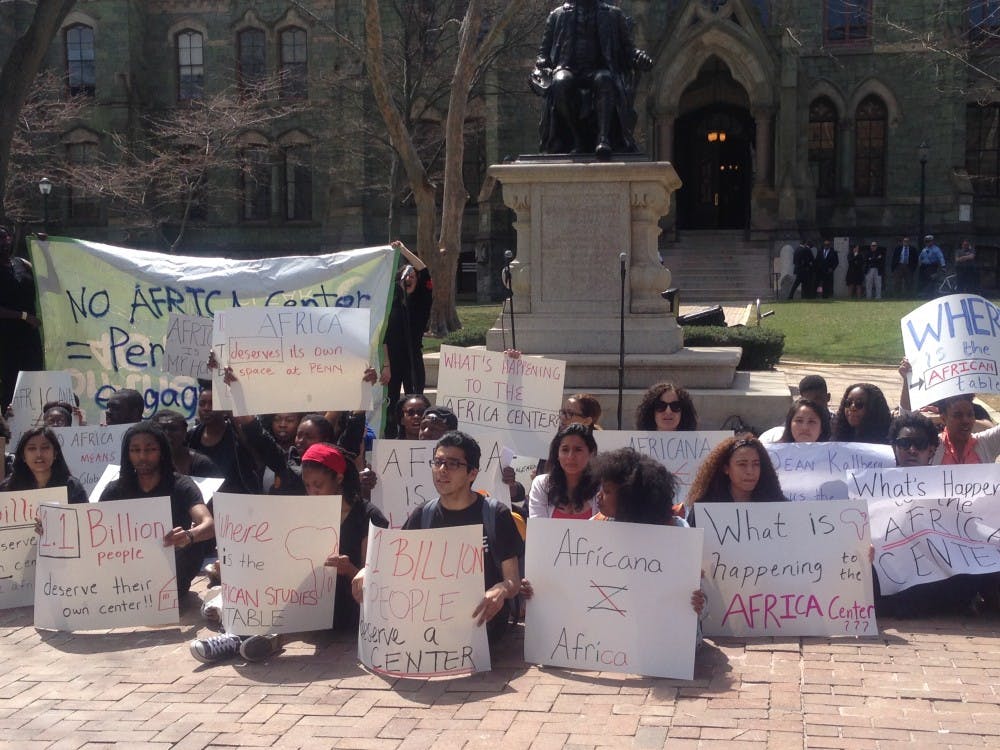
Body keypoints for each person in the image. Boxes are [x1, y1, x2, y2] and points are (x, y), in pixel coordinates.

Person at [190, 442, 390, 664]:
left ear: (339, 479)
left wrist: (349, 569)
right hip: (303, 600)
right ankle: (244, 638)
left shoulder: (367, 515)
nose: (312, 492)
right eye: (307, 485)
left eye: (318, 485)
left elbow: (375, 580)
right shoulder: (300, 511)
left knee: (281, 608)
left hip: (345, 605)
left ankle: (243, 638)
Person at [352, 431, 523, 646]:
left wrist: (501, 590)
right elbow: (393, 562)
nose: (442, 470)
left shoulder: (495, 515)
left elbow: (513, 581)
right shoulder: (423, 514)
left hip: (483, 627)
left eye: (453, 464)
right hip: (428, 627)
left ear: (472, 473)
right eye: (438, 462)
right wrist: (368, 571)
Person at [99, 422, 214, 597]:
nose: (142, 456)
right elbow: (94, 532)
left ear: (162, 452)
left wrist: (188, 536)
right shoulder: (115, 490)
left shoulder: (181, 485)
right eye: (135, 450)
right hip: (124, 580)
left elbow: (209, 524)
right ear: (127, 454)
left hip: (173, 574)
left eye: (150, 449)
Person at [531, 0, 653, 157]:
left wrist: (639, 57)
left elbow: (629, 51)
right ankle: (577, 138)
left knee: (605, 79)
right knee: (560, 82)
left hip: (599, 69)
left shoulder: (613, 15)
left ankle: (603, 139)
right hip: (568, 68)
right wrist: (541, 66)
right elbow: (543, 53)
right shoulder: (557, 15)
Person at [383, 242, 432, 436]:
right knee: (391, 402)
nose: (410, 278)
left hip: (413, 358)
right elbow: (383, 337)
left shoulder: (422, 300)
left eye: (413, 276)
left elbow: (424, 270)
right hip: (393, 360)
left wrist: (403, 250)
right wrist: (386, 365)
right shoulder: (390, 304)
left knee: (416, 400)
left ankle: (416, 435)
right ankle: (391, 436)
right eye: (406, 276)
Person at [0, 227, 43, 409]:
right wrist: (24, 316)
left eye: (5, 238)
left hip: (29, 336)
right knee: (11, 383)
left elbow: (46, 280)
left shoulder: (21, 263)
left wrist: (43, 248)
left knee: (33, 379)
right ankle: (9, 423)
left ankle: (32, 421)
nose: (4, 242)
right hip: (6, 338)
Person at [687, 434, 785, 511]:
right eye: (742, 464)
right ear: (726, 469)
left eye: (756, 464)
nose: (750, 471)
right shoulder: (705, 507)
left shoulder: (779, 505)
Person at [527, 424, 599, 520]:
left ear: (591, 453)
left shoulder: (601, 488)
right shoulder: (542, 485)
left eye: (578, 450)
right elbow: (538, 526)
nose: (570, 456)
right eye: (565, 450)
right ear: (557, 453)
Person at [0, 426, 88, 504]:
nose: (39, 454)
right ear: (23, 456)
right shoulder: (7, 488)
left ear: (55, 453)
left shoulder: (73, 487)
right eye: (32, 448)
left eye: (45, 447)